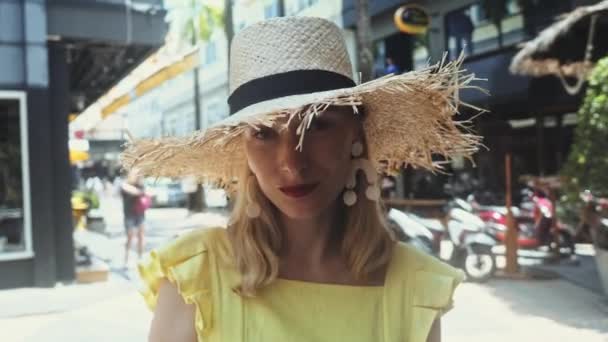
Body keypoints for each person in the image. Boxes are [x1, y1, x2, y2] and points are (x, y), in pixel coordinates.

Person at [123, 17, 481, 342]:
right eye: (264, 134)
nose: (292, 163)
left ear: (354, 134)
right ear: (243, 147)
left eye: (317, 126)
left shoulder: (413, 286)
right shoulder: (195, 277)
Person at [121, 169, 147, 267]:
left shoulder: (140, 185)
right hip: (129, 215)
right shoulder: (125, 185)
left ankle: (140, 258)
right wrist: (138, 191)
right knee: (130, 237)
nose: (137, 176)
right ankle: (126, 259)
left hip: (140, 214)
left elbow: (143, 192)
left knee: (141, 236)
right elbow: (135, 192)